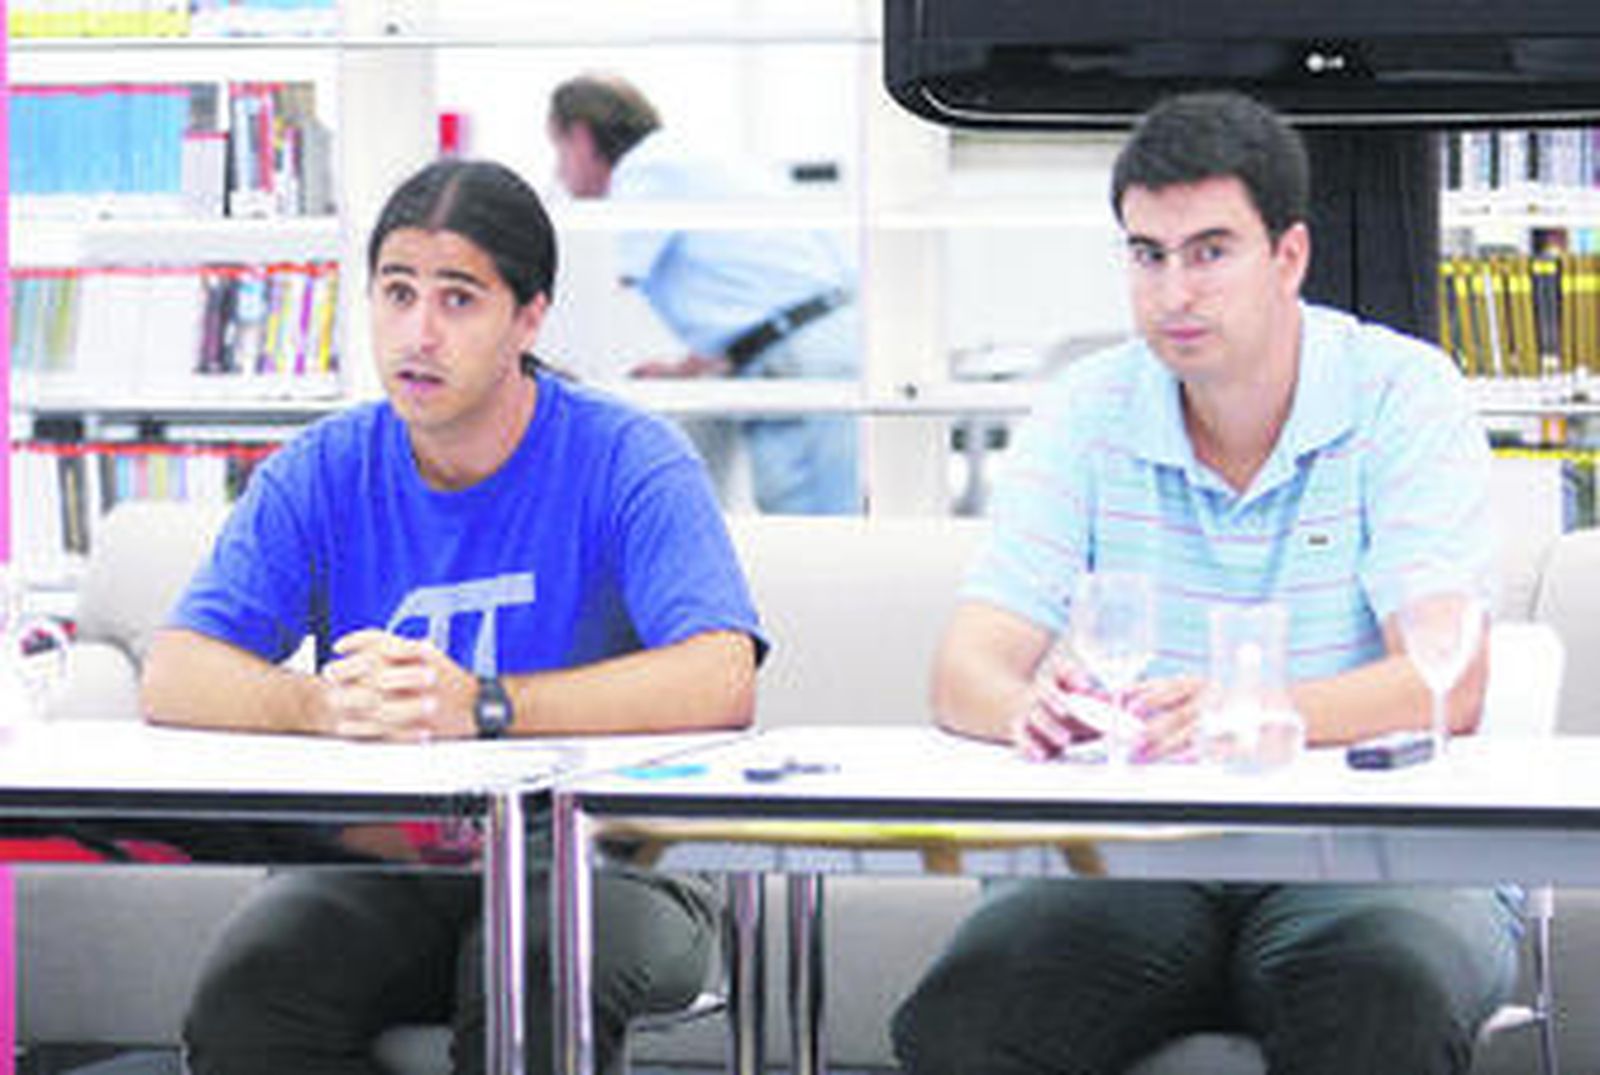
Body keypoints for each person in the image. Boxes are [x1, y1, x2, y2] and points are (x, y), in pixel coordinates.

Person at [892, 92, 1519, 1075]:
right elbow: (964, 668)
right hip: (1136, 854)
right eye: (1147, 255)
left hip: (1370, 855)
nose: (1173, 292)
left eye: (1210, 251)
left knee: (1377, 1000)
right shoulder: (1087, 408)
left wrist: (1245, 710)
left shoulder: (1401, 392)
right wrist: (1029, 711)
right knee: (966, 1019)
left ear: (1289, 256)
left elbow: (1448, 682)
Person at [141, 158, 765, 1075]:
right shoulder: (324, 467)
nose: (419, 333)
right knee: (253, 997)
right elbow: (178, 668)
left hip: (611, 865)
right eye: (397, 293)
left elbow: (720, 673)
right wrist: (322, 706)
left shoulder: (630, 458)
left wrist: (483, 703)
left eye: (459, 299)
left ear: (530, 316)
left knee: (531, 974)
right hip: (388, 866)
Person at [547, 72, 860, 516]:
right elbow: (746, 300)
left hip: (798, 355)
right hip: (817, 340)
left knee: (812, 526)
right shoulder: (687, 157)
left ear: (580, 138)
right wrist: (686, 369)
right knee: (821, 517)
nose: (559, 170)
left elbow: (608, 279)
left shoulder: (643, 170)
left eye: (557, 150)